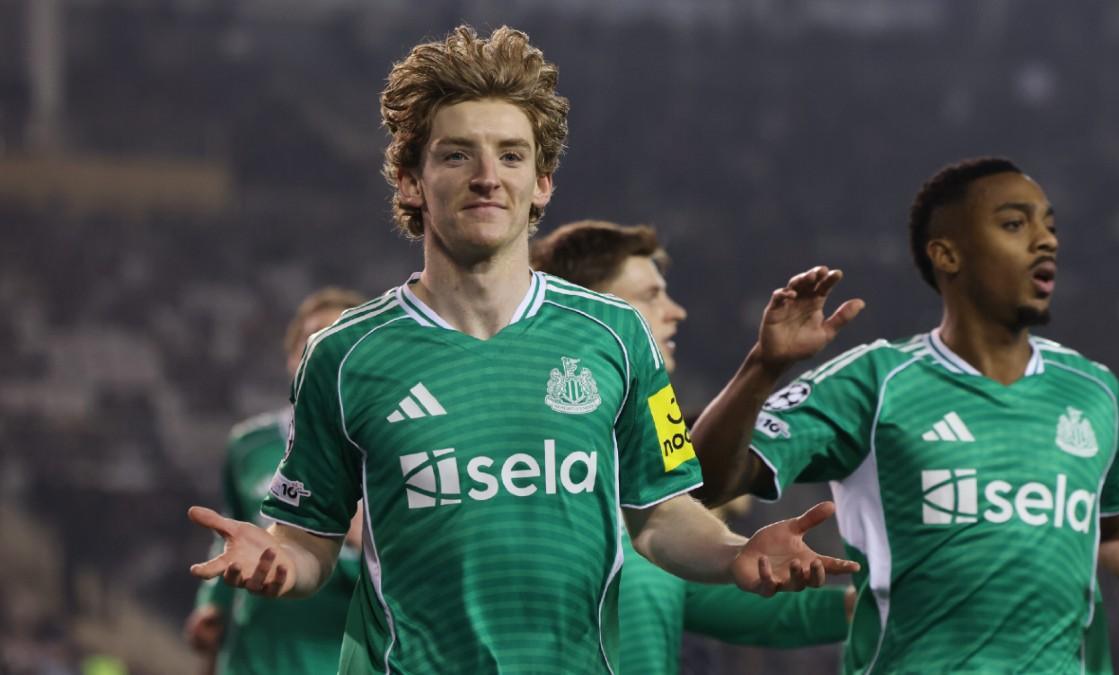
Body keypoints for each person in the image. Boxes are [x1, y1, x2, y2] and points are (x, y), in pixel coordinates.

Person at [185, 26, 858, 674]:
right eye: (456, 154)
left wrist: (736, 551)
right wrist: (278, 560)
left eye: (511, 154)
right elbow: (310, 542)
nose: (487, 175)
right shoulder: (344, 355)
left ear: (542, 184)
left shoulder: (617, 336)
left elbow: (661, 513)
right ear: (411, 181)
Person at [690, 157, 1119, 673]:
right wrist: (763, 366)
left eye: (1050, 226)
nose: (1046, 241)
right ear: (947, 254)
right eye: (1015, 224)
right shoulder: (873, 382)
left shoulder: (1094, 391)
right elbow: (703, 484)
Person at [533, 219, 855, 674]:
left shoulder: (648, 440)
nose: (675, 311)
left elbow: (705, 594)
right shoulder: (515, 449)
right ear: (584, 309)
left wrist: (866, 606)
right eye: (649, 295)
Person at [185, 287, 366, 675]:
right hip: (257, 656)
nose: (325, 352)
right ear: (291, 360)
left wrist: (362, 538)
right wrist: (211, 605)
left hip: (337, 657)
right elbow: (231, 530)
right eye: (314, 340)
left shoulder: (395, 446)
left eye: (341, 338)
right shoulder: (248, 445)